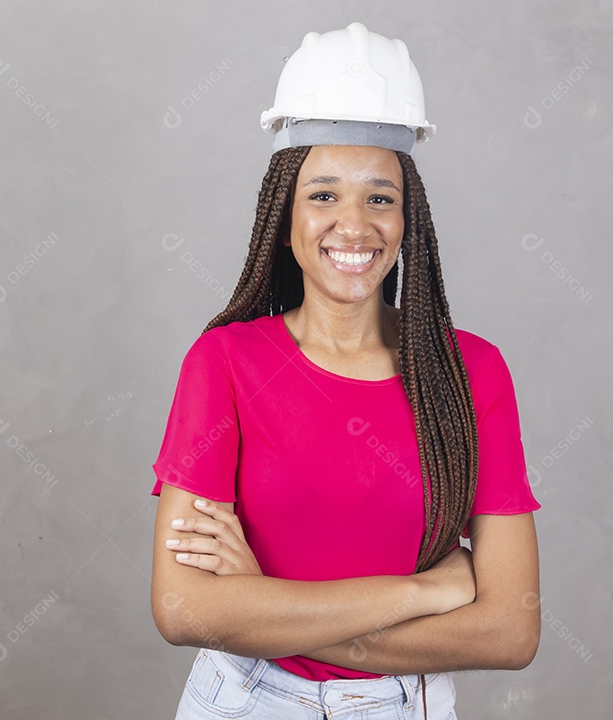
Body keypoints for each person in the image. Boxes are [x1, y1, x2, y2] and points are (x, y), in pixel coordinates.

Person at [149, 22, 541, 720]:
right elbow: (185, 611)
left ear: (408, 214)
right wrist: (427, 592)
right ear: (284, 212)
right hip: (245, 703)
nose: (353, 226)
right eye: (323, 194)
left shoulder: (472, 373)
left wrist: (267, 605)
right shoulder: (227, 363)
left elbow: (510, 630)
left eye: (379, 197)